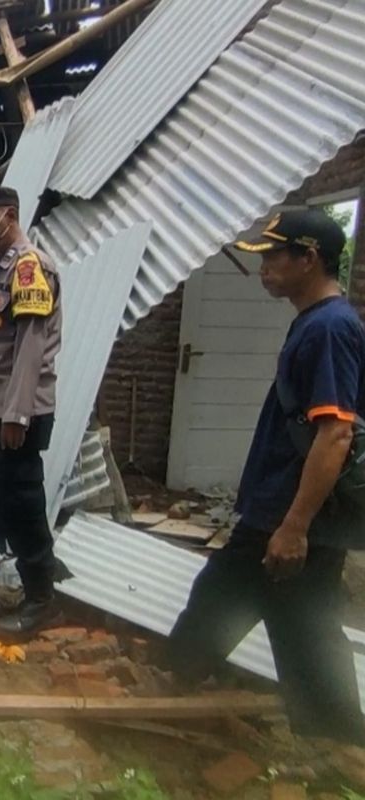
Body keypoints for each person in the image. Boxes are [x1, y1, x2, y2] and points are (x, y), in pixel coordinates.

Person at [169, 209, 365, 747]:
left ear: (310, 259)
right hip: (281, 509)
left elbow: (335, 436)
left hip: (291, 512)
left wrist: (295, 525)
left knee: (287, 616)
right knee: (264, 607)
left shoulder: (330, 330)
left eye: (277, 256)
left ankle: (337, 743)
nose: (266, 266)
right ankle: (181, 673)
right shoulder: (317, 322)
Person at [0, 186, 63, 637]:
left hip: (20, 411)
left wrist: (15, 416)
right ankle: (0, 572)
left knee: (22, 503)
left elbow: (30, 348)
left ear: (9, 216)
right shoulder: (2, 269)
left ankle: (42, 596)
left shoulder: (29, 268)